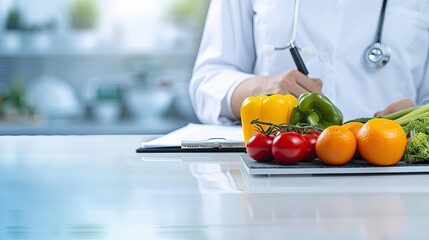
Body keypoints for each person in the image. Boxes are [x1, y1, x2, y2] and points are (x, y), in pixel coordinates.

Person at [188, 0, 429, 125]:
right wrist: (260, 89)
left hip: (394, 174)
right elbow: (207, 81)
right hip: (276, 170)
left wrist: (418, 119)